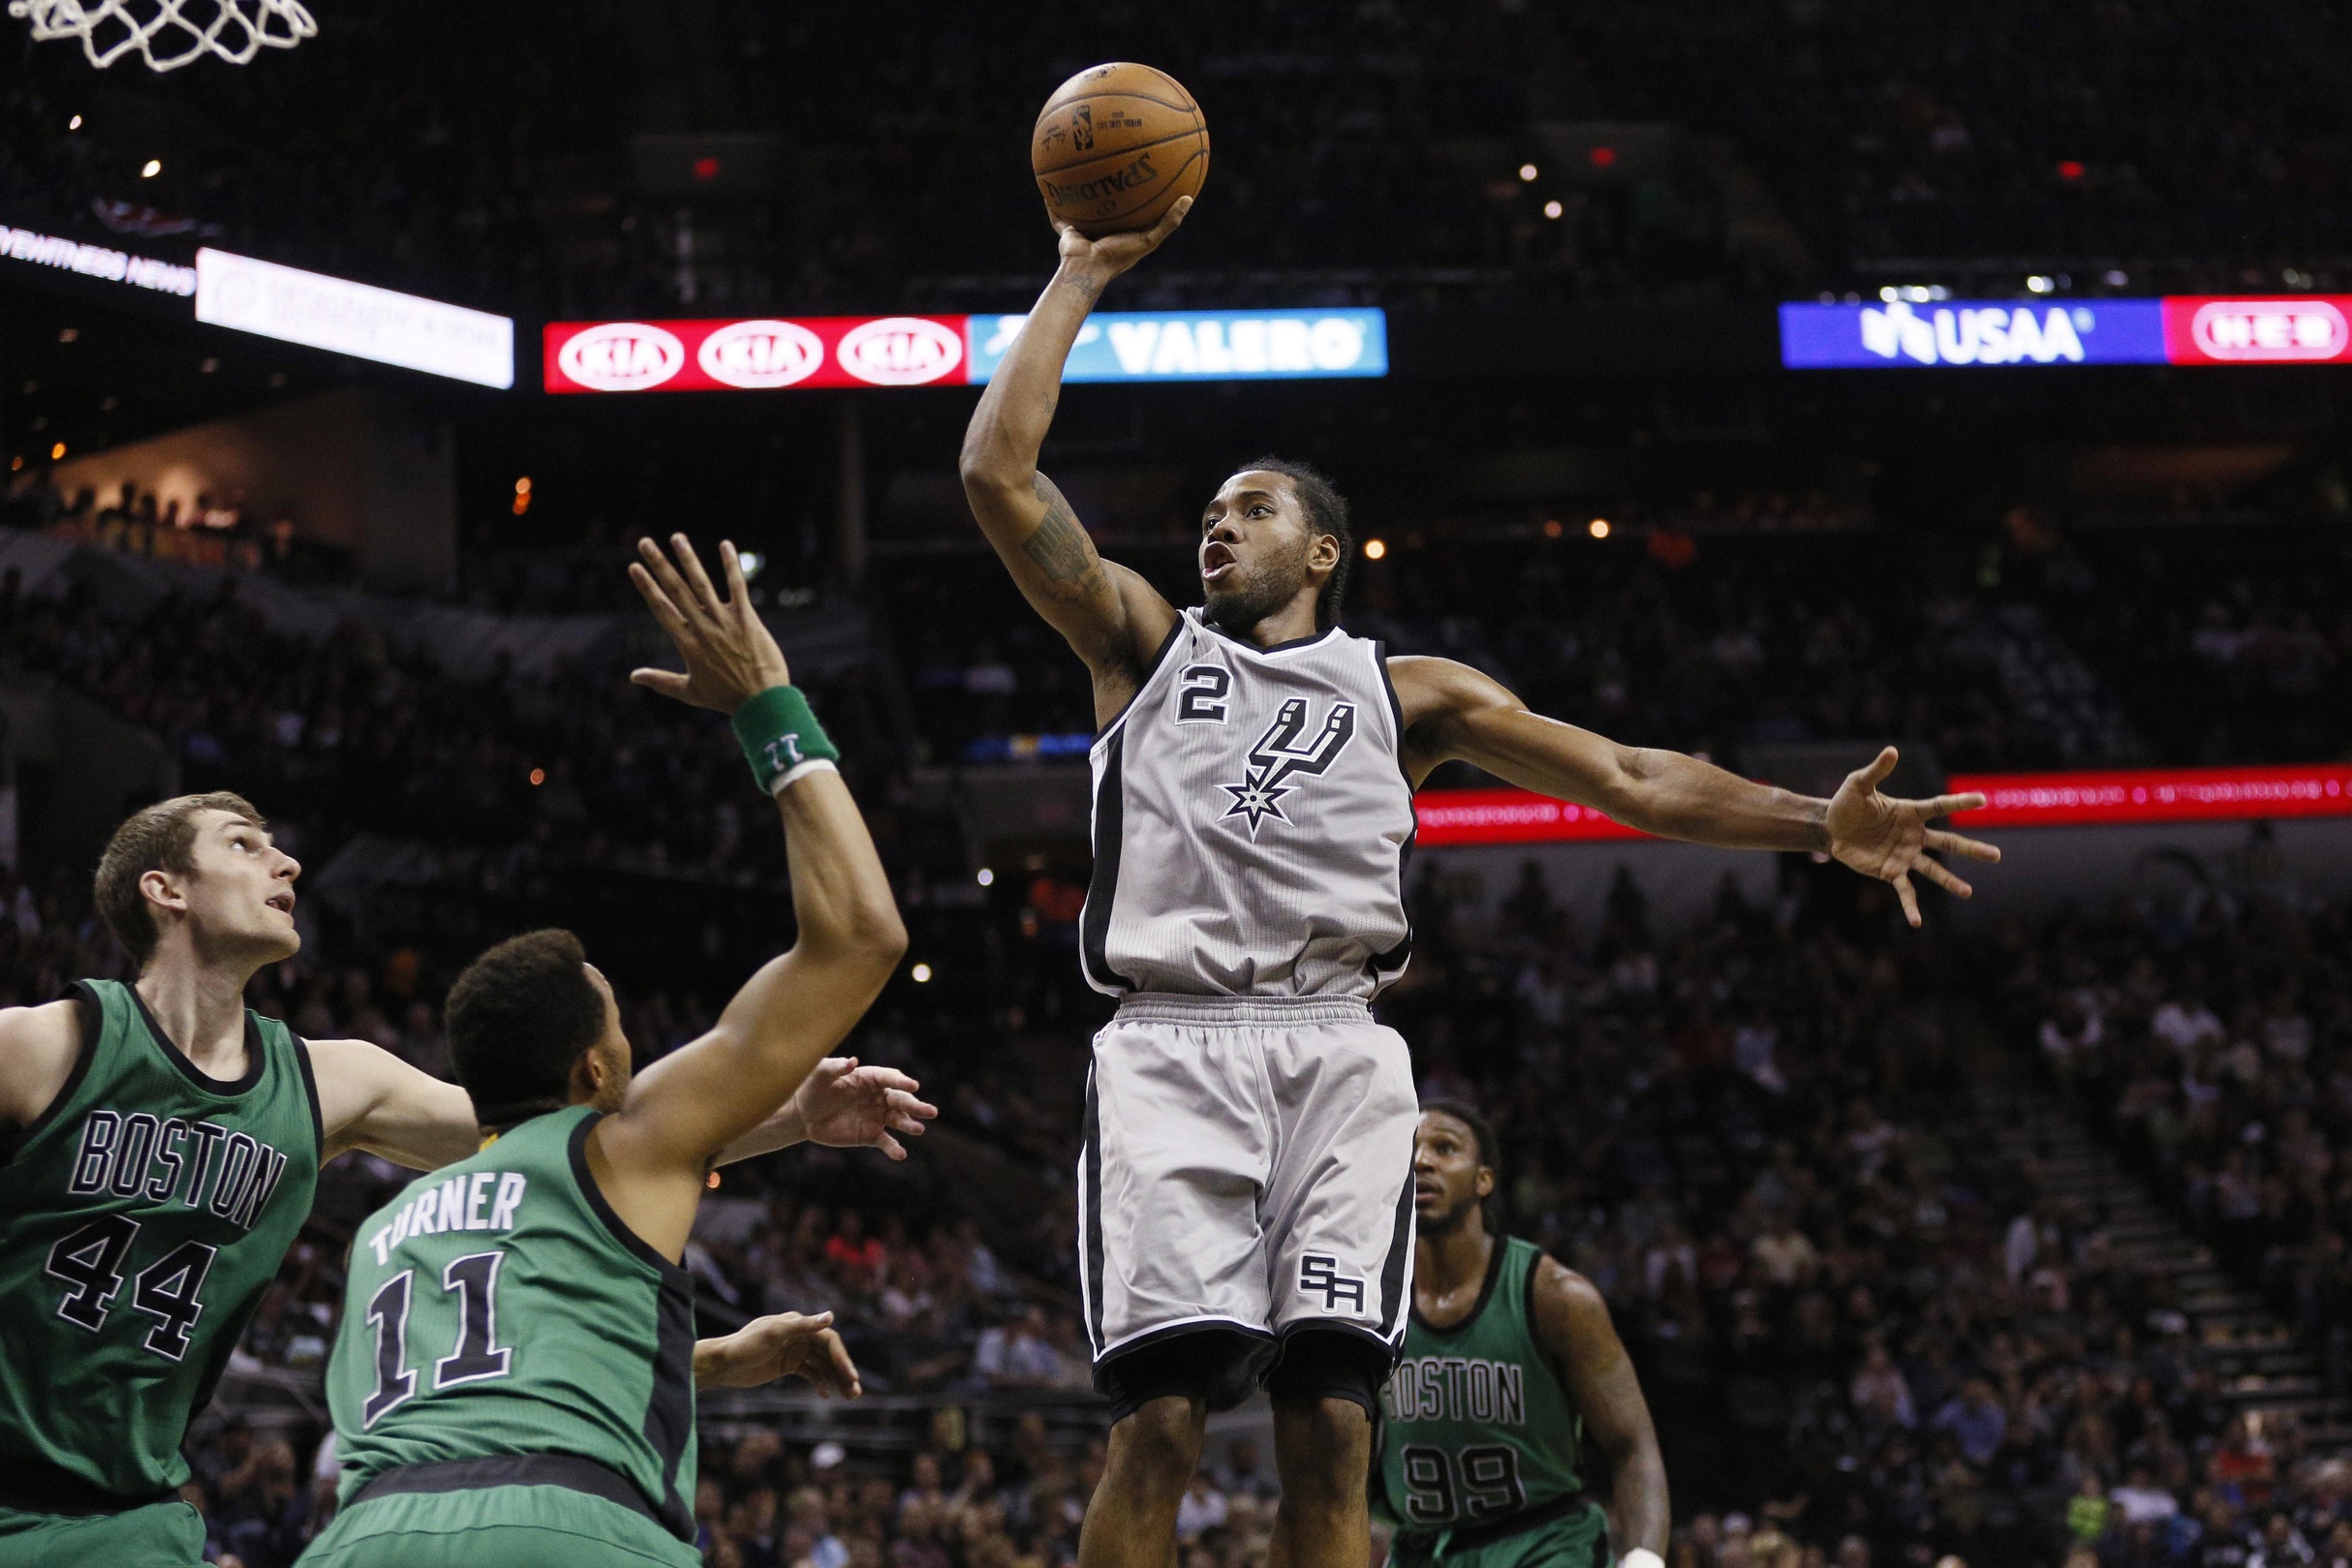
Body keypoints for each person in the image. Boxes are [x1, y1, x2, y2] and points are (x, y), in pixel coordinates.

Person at [955, 200, 1999, 1568]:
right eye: (1208, 513)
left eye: (1251, 510)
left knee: (1333, 1426)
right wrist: (1078, 274)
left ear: (1322, 549)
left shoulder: (1409, 690)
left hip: (1338, 1042)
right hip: (1171, 1040)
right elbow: (997, 475)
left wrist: (1818, 823)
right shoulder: (1143, 646)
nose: (1218, 528)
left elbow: (1628, 773)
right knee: (1159, 1419)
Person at [0, 537, 928, 1568]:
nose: (285, 856)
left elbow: (574, 1146)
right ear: (163, 890)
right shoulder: (46, 1047)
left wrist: (791, 1118)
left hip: (136, 1513)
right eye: (242, 841)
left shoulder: (330, 1079)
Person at [296, 535, 911, 1567]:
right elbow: (861, 933)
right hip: (566, 1527)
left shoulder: (388, 1220)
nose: (634, 1044)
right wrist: (771, 704)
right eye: (621, 1023)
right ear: (592, 1069)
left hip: (364, 1535)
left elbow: (490, 1386)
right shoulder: (617, 1142)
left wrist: (708, 1357)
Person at [1377, 1103, 1667, 1568]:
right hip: (1420, 1548)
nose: (1421, 1161)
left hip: (1545, 1544)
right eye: (1407, 1149)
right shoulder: (1371, 1298)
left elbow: (1632, 1445)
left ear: (1483, 1180)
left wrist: (1644, 1558)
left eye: (1444, 1147)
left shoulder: (1557, 1297)